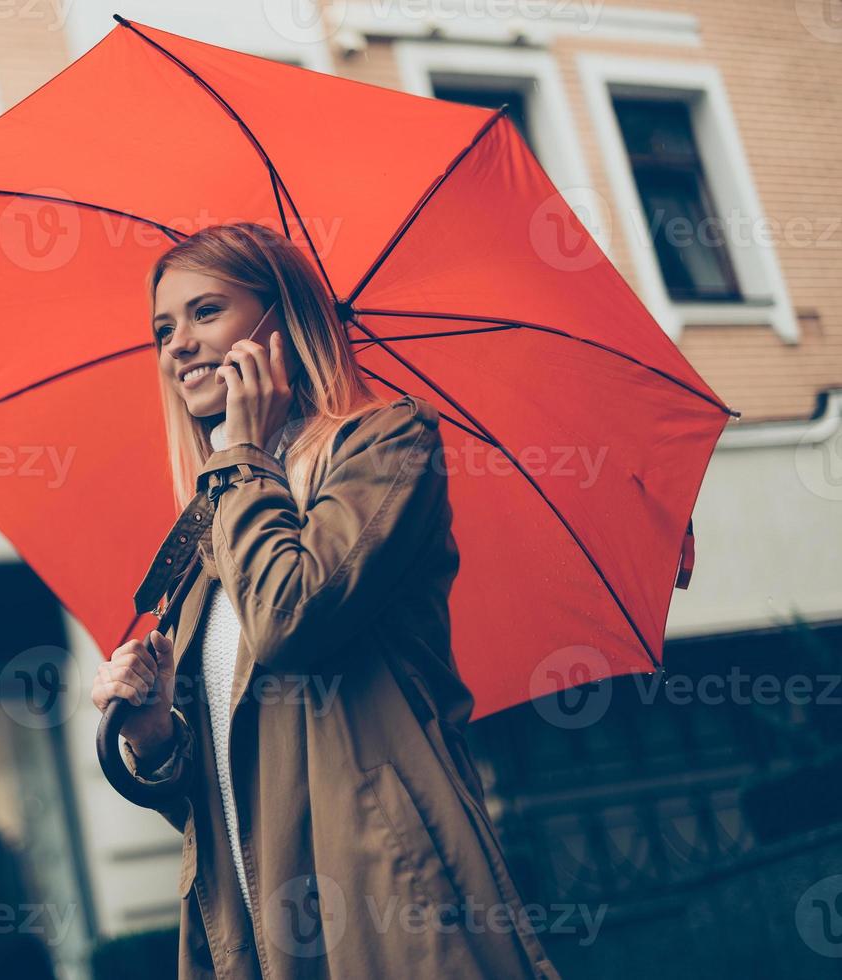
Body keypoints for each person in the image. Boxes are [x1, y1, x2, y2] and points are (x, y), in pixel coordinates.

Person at [90, 222, 562, 979]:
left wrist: (240, 460)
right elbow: (234, 787)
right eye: (162, 329)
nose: (177, 345)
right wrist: (155, 741)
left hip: (375, 891)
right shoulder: (216, 521)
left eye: (206, 312)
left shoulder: (384, 444)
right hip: (250, 924)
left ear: (284, 322)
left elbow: (289, 619)